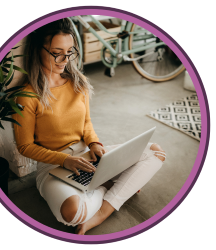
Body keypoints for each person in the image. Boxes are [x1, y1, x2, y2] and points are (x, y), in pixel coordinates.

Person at [13, 18, 166, 235]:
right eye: (57, 52)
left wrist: (94, 142)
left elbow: (86, 123)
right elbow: (25, 147)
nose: (64, 60)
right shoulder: (27, 96)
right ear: (38, 50)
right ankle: (114, 186)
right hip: (53, 166)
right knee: (72, 213)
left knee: (155, 153)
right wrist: (64, 160)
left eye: (70, 51)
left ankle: (103, 211)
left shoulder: (78, 82)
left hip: (87, 156)